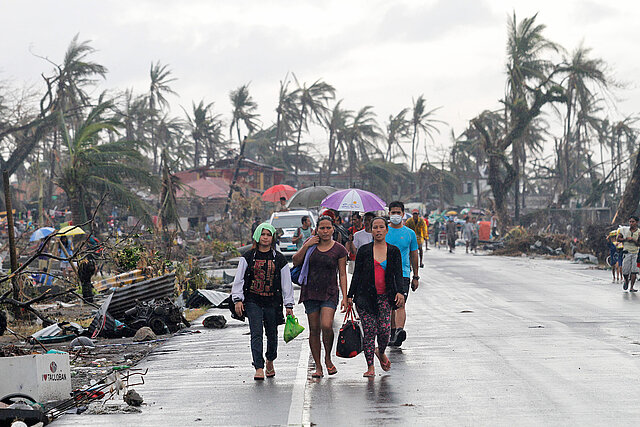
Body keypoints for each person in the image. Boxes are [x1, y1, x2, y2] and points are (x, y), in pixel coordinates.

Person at [232, 223, 294, 380]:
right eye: (263, 234)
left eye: (268, 234)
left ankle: (270, 360)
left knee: (272, 334)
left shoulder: (279, 259)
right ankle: (258, 367)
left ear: (272, 237)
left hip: (273, 301)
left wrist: (289, 304)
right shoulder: (247, 257)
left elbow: (286, 283)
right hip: (253, 300)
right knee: (256, 333)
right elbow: (239, 279)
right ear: (257, 236)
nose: (265, 237)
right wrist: (238, 299)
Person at [348, 217, 405, 377]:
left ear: (386, 230)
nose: (378, 230)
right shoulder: (364, 251)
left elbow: (398, 274)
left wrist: (400, 292)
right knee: (369, 331)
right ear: (371, 230)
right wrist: (349, 296)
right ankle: (370, 367)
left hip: (386, 298)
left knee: (385, 331)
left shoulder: (394, 251)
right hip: (364, 298)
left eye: (381, 227)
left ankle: (381, 352)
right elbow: (357, 274)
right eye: (375, 227)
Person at [293, 215, 348, 378]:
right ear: (316, 229)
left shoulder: (339, 249)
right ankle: (318, 366)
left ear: (333, 229)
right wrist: (307, 245)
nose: (325, 231)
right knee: (314, 329)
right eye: (322, 228)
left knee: (326, 325)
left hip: (329, 292)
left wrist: (345, 297)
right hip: (310, 292)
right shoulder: (310, 245)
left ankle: (328, 358)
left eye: (328, 228)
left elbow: (343, 275)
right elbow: (295, 261)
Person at [385, 201, 419, 347]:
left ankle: (399, 331)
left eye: (398, 213)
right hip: (384, 273)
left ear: (403, 214)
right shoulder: (383, 231)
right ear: (389, 214)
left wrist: (416, 276)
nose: (396, 215)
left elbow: (414, 255)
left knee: (400, 304)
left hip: (404, 274)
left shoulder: (410, 234)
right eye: (393, 212)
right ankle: (392, 332)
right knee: (389, 305)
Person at [618, 216, 640, 292]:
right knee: (625, 271)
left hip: (635, 253)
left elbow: (639, 244)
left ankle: (632, 287)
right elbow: (618, 238)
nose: (631, 223)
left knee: (634, 271)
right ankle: (626, 281)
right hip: (626, 253)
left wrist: (634, 240)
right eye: (630, 221)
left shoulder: (639, 232)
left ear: (637, 222)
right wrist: (625, 239)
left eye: (633, 222)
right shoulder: (624, 230)